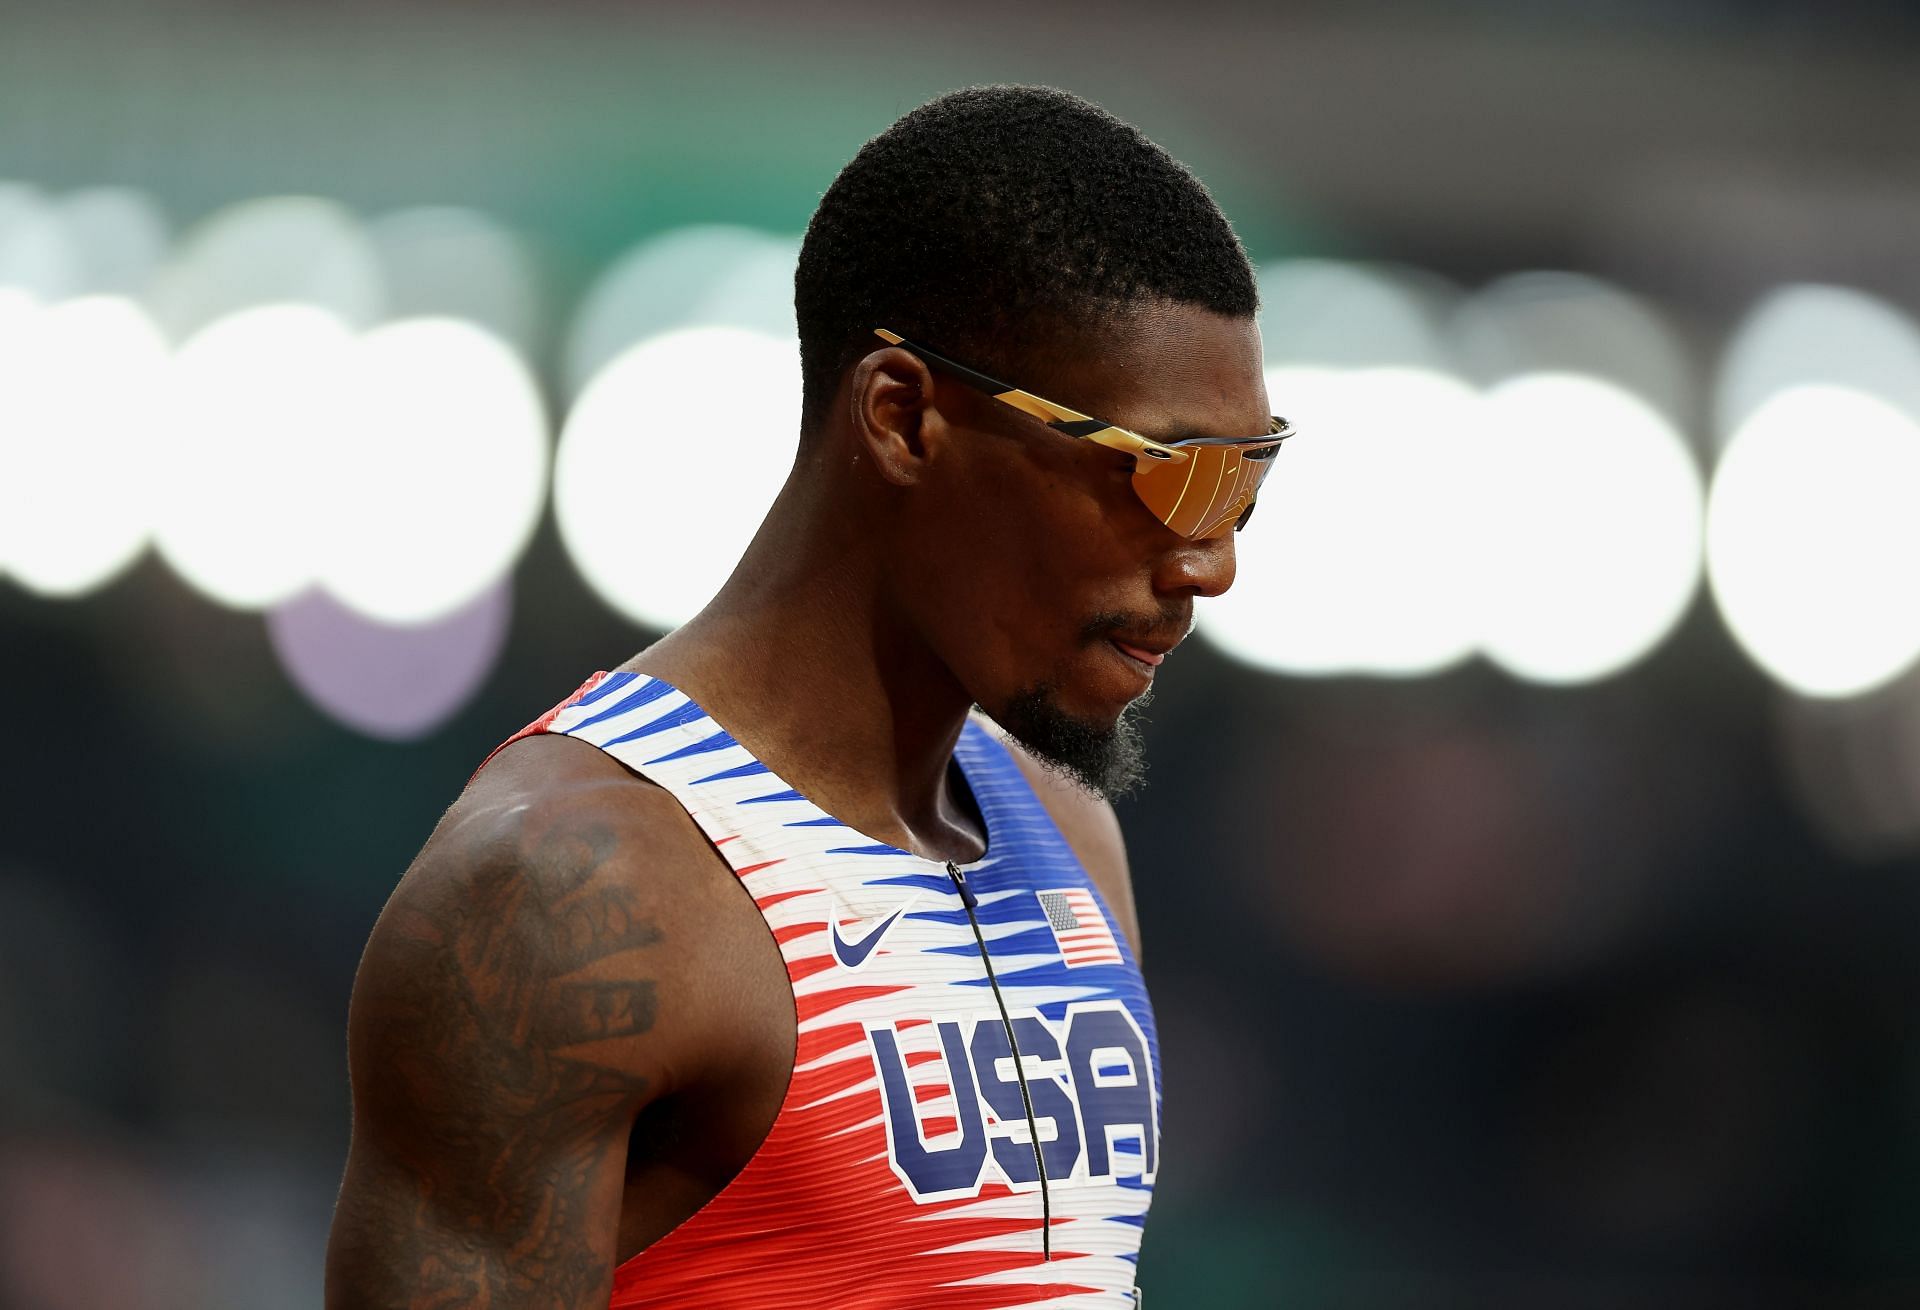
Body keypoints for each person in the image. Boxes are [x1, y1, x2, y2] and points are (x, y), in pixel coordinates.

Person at [324, 83, 1284, 1309]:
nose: (1213, 560)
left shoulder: (1072, 846)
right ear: (902, 418)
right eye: (1164, 474)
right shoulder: (568, 890)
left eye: (1244, 481)